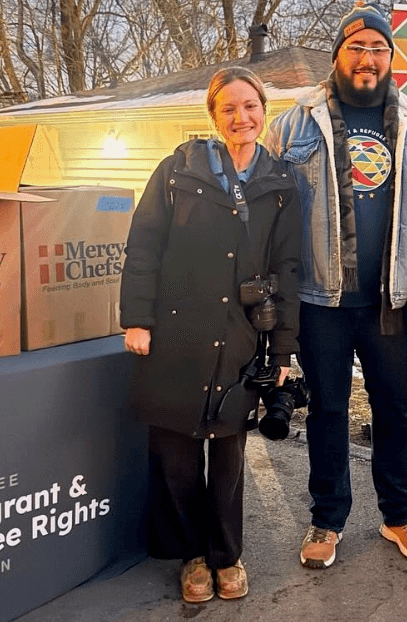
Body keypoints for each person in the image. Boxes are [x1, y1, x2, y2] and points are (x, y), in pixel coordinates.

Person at [266, 0, 407, 569]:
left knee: (395, 409)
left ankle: (399, 514)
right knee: (326, 409)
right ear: (338, 54)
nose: (368, 57)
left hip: (391, 301)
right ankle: (327, 519)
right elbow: (268, 216)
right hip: (320, 299)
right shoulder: (294, 124)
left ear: (391, 57)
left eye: (378, 48)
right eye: (357, 47)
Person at [120, 66, 301, 603]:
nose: (242, 117)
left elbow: (288, 266)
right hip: (177, 330)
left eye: (251, 106)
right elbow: (144, 245)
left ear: (264, 111)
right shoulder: (179, 169)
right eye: (230, 108)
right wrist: (137, 319)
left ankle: (227, 556)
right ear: (214, 116)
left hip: (241, 336)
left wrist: (285, 347)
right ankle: (192, 556)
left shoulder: (281, 181)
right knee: (175, 450)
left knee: (227, 453)